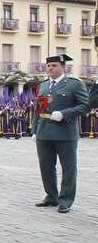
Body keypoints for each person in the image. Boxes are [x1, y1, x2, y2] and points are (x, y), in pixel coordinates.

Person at [31, 53, 89, 213]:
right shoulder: (43, 85)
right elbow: (38, 109)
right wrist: (34, 130)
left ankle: (66, 200)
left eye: (54, 65)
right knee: (46, 166)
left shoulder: (74, 84)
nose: (50, 68)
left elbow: (85, 105)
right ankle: (51, 196)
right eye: (48, 66)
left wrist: (65, 114)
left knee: (68, 168)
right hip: (44, 131)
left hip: (65, 132)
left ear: (63, 67)